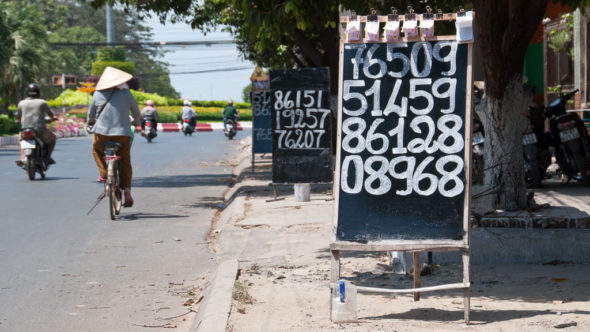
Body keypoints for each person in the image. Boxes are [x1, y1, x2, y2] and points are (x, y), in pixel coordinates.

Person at [87, 66, 141, 207]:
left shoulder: (97, 94)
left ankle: (104, 172)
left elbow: (91, 115)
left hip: (102, 134)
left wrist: (90, 123)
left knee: (95, 149)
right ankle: (127, 191)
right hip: (122, 134)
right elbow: (136, 112)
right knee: (125, 162)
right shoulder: (127, 94)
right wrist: (137, 122)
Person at [15, 83, 57, 166]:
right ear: (38, 92)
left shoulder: (21, 103)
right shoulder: (42, 102)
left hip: (26, 129)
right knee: (53, 138)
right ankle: (48, 157)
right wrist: (52, 119)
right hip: (40, 130)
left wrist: (20, 121)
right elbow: (50, 115)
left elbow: (18, 117)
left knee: (21, 139)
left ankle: (22, 157)